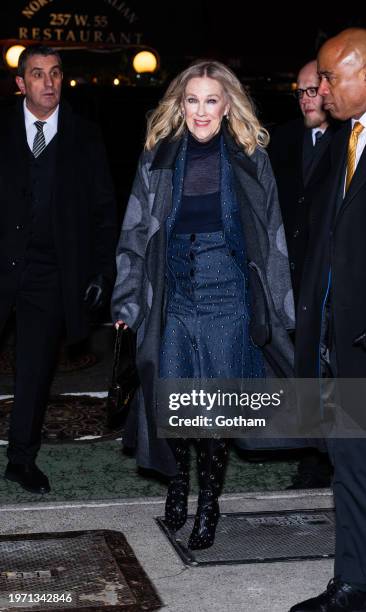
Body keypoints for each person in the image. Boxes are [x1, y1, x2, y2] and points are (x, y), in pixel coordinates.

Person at [112, 60, 295, 550]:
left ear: (227, 104)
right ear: (180, 103)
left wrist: (283, 308)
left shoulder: (250, 157)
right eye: (192, 100)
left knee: (215, 412)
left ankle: (209, 503)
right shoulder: (159, 155)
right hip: (174, 295)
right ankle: (177, 484)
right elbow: (133, 232)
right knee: (173, 402)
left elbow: (273, 235)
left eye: (211, 100)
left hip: (228, 297)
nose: (200, 111)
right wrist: (127, 298)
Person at [291, 28, 366, 612]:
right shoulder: (341, 138)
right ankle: (357, 586)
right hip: (344, 333)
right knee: (354, 463)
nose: (323, 89)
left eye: (332, 78)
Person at [0, 45, 116, 495]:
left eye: (55, 73)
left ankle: (21, 459)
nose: (48, 82)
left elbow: (105, 210)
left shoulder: (85, 135)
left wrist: (101, 271)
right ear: (20, 83)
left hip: (50, 272)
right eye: (37, 74)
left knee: (34, 371)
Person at [270, 60, 333, 305]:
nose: (304, 99)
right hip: (284, 281)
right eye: (300, 92)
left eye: (312, 91)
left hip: (326, 283)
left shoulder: (350, 140)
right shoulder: (282, 137)